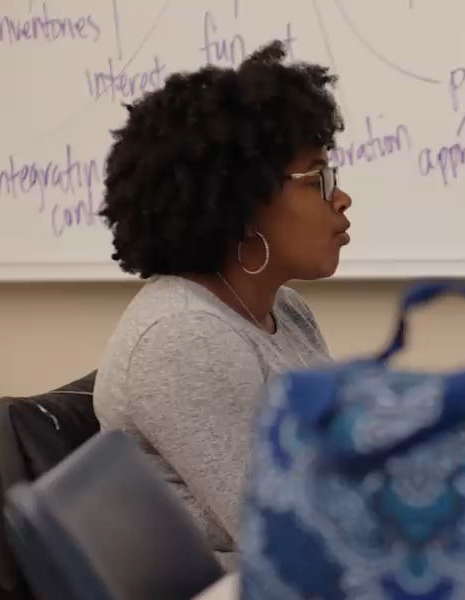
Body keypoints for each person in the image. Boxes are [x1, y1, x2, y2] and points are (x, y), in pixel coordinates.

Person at [93, 41, 350, 569]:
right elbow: (295, 538)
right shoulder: (184, 338)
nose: (341, 198)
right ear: (244, 202)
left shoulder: (287, 311)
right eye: (318, 179)